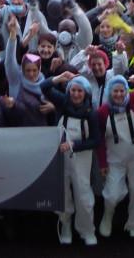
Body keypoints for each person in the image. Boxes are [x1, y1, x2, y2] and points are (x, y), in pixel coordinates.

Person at [43, 72, 102, 246]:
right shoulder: (63, 102)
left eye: (80, 91)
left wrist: (73, 145)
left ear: (86, 93)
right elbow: (44, 87)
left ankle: (87, 230)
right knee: (62, 192)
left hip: (82, 158)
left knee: (83, 195)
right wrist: (59, 78)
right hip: (60, 157)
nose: (76, 94)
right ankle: (66, 225)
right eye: (73, 90)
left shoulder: (91, 113)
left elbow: (96, 140)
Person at [96, 74, 134, 238]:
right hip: (115, 159)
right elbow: (100, 140)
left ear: (127, 91)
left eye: (122, 91)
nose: (119, 94)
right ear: (110, 92)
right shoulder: (102, 112)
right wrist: (102, 163)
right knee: (112, 194)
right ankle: (107, 217)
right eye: (115, 91)